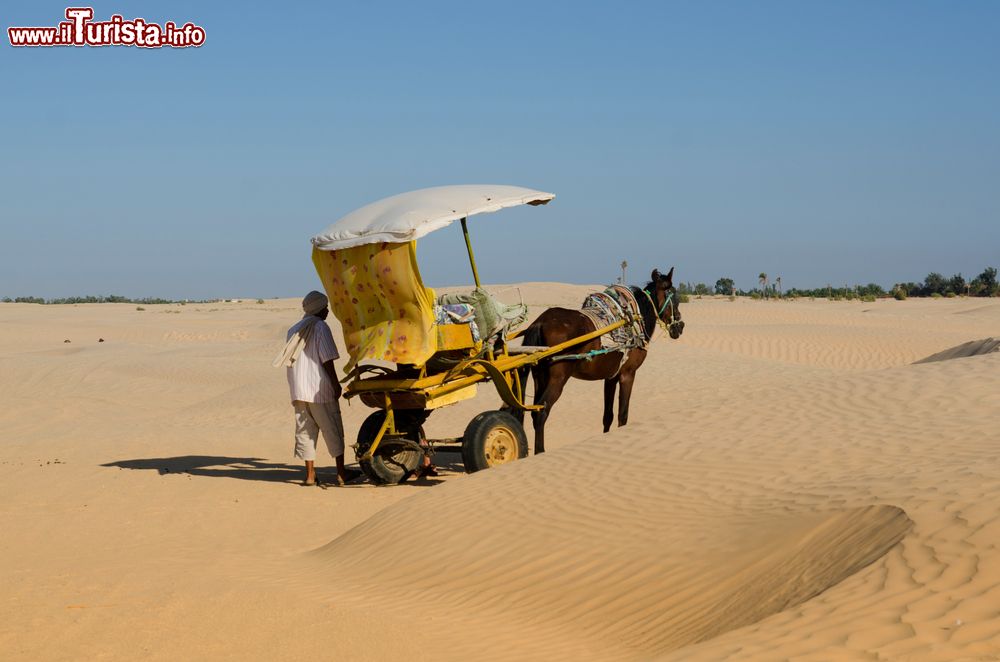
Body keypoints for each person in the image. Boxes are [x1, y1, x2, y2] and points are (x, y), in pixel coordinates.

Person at [274, 290, 348, 486]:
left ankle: (309, 476)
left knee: (305, 431)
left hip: (299, 390)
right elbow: (327, 360)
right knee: (332, 429)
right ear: (319, 309)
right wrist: (335, 384)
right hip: (319, 390)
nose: (327, 312)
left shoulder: (294, 329)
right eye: (325, 308)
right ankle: (341, 474)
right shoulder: (320, 327)